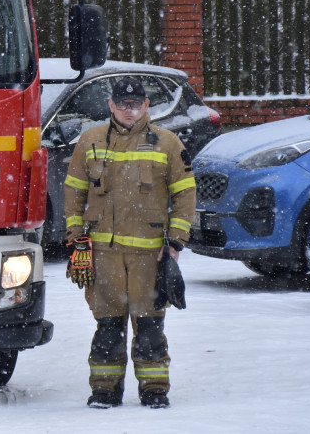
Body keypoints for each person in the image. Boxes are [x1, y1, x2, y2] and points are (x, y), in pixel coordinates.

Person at [62, 76, 196, 409]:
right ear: (111, 105)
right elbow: (74, 192)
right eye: (122, 104)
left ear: (146, 106)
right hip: (103, 253)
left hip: (149, 255)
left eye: (136, 104)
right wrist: (76, 238)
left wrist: (176, 243)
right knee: (108, 324)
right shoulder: (90, 141)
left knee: (149, 325)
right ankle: (104, 390)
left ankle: (154, 389)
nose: (129, 110)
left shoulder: (167, 143)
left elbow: (185, 195)